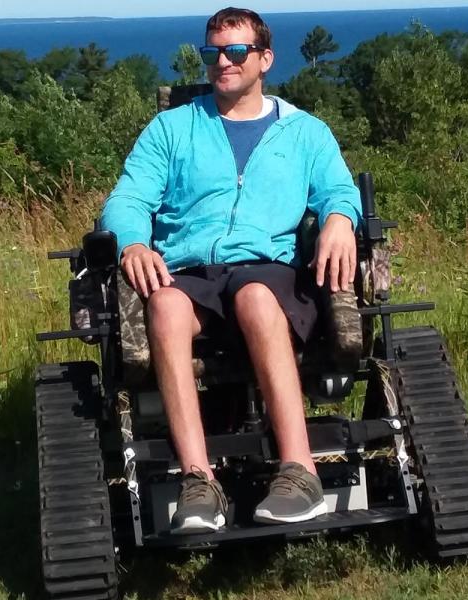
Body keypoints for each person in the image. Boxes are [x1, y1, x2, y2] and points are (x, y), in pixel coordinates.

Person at [100, 7, 361, 534]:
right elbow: (127, 199)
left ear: (264, 59)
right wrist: (132, 242)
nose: (223, 61)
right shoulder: (173, 128)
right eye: (214, 51)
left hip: (268, 270)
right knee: (166, 306)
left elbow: (339, 189)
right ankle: (198, 480)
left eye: (236, 51)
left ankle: (300, 471)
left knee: (255, 296)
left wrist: (339, 219)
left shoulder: (305, 132)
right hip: (191, 270)